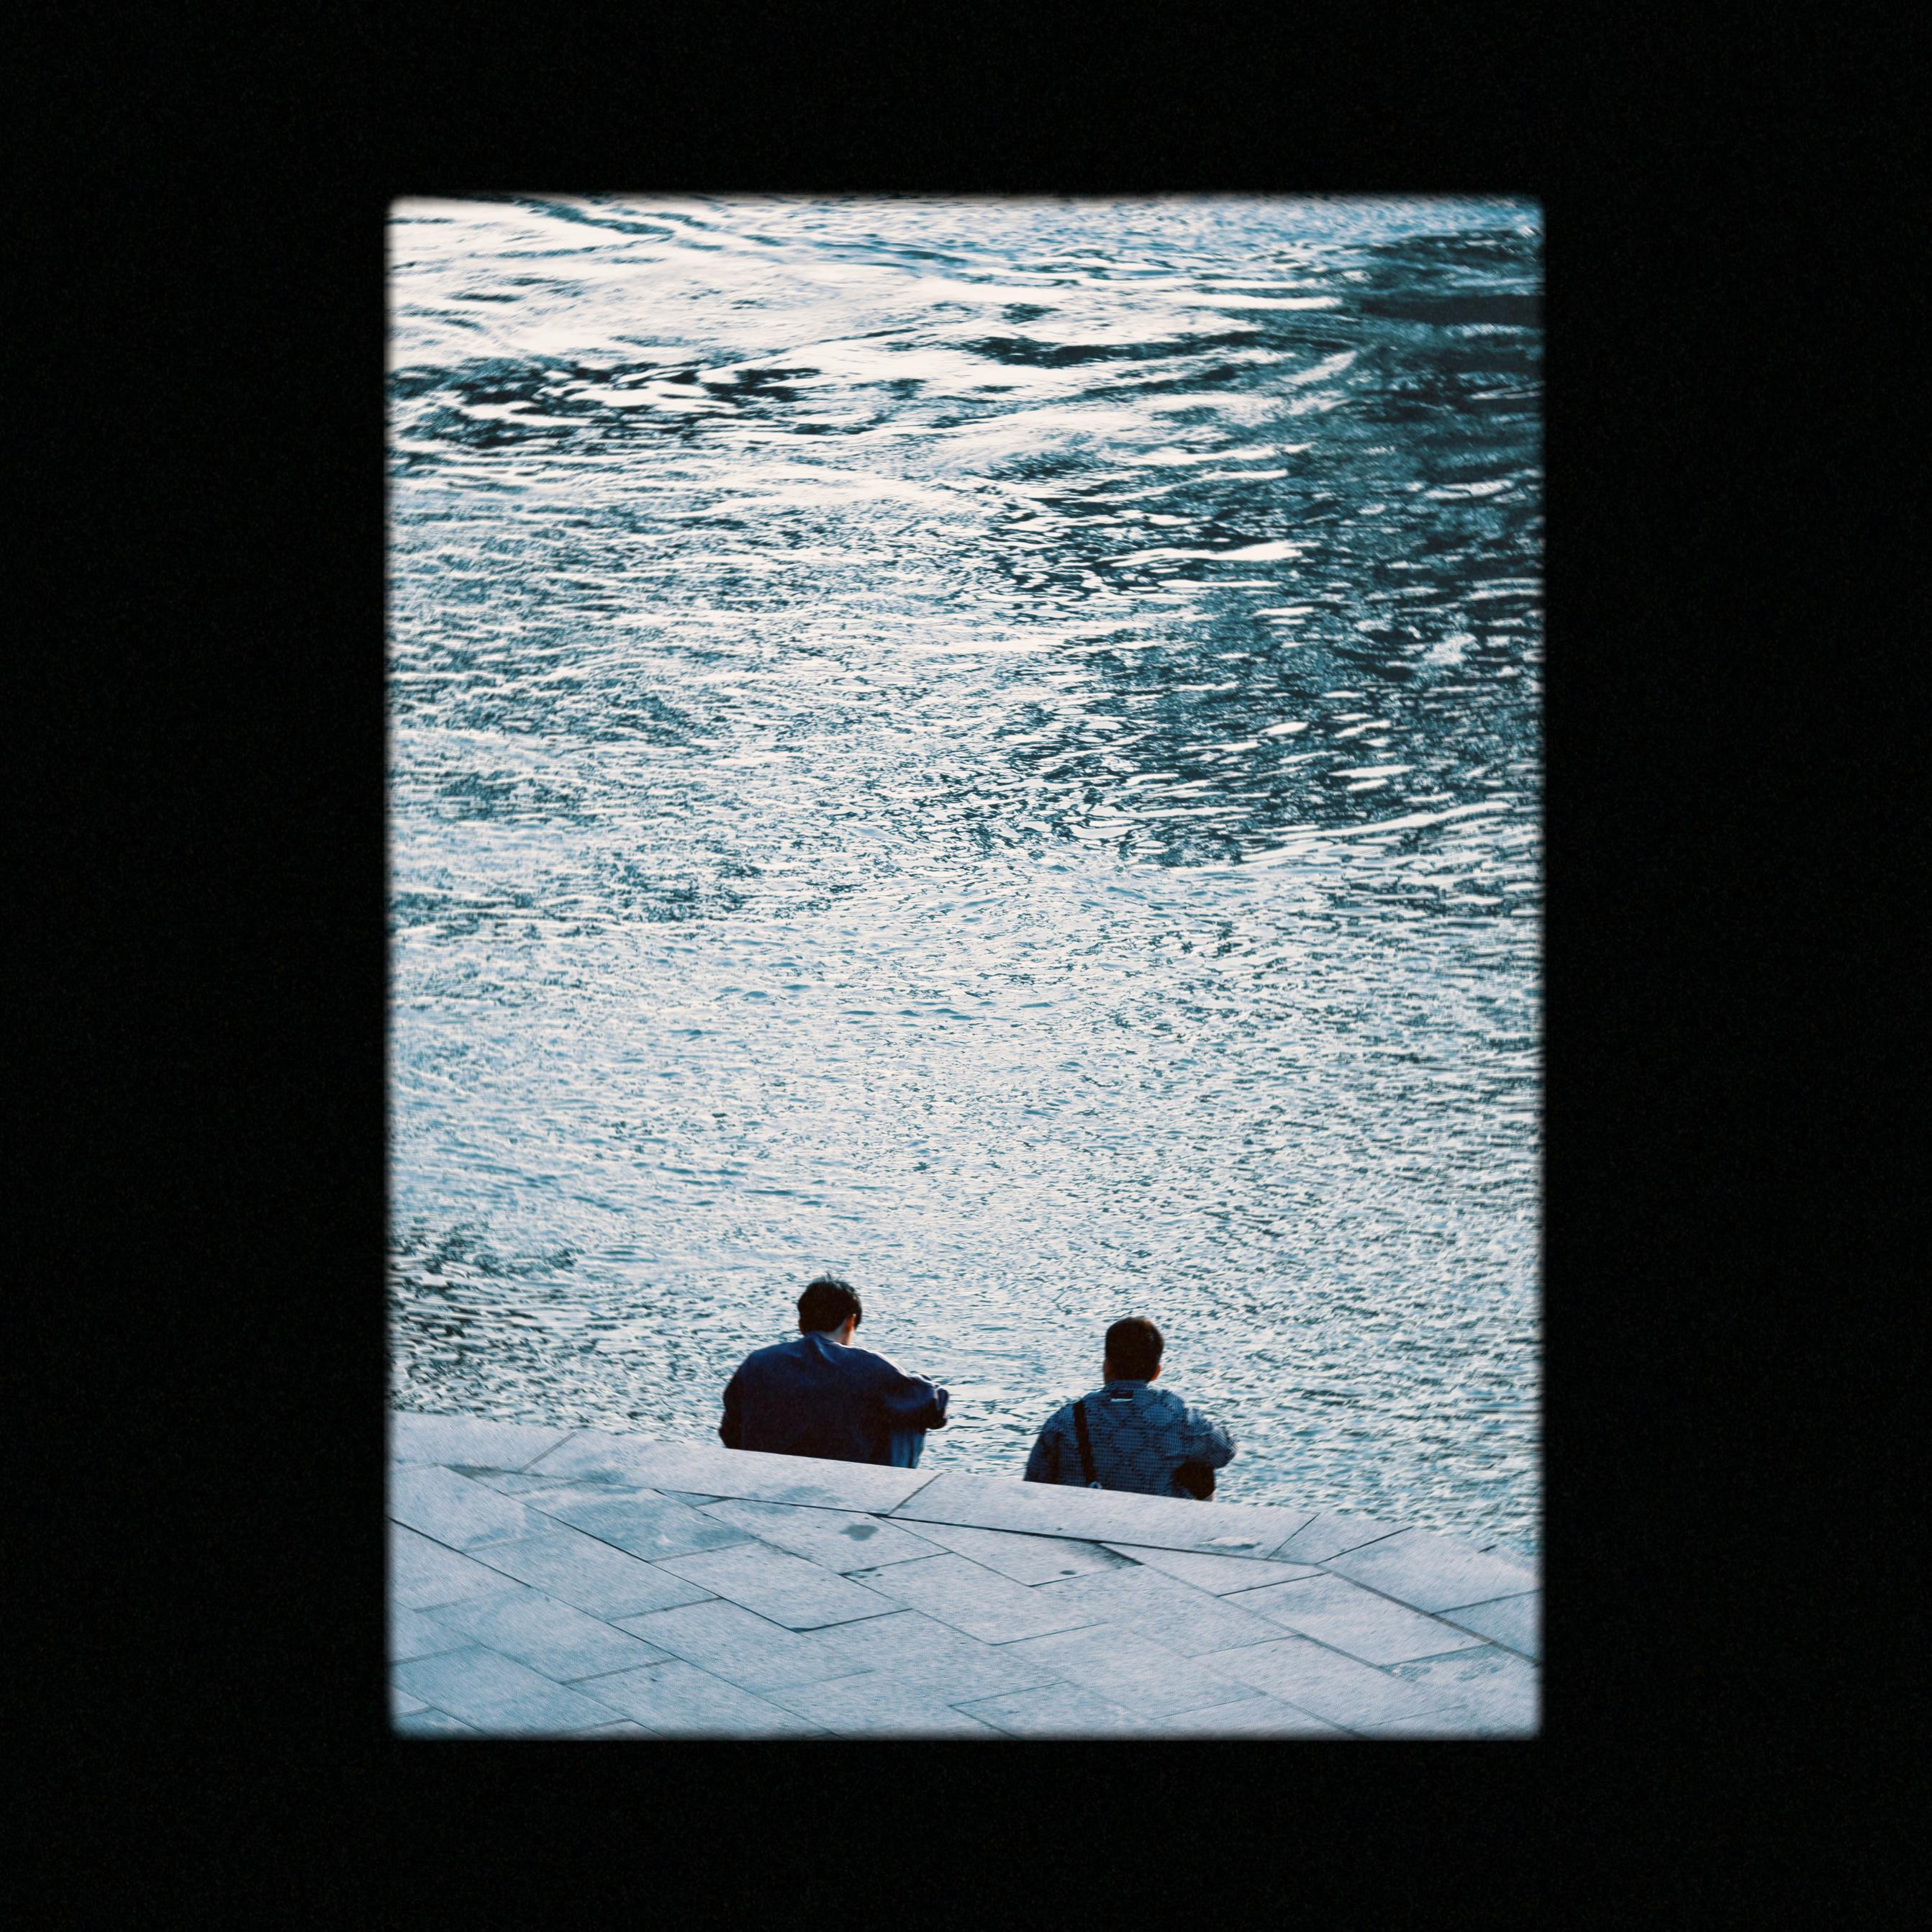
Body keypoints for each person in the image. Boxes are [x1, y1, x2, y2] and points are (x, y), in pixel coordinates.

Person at [719, 1276, 949, 1468]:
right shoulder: (868, 1367)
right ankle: (893, 1484)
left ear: (801, 1324)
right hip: (846, 1482)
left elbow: (730, 1431)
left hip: (763, 1477)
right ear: (850, 1322)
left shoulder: (757, 1362)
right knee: (905, 1409)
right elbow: (933, 1406)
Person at [1022, 1315, 1234, 1499]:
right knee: (1201, 1469)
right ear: (1156, 1373)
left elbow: (1033, 1482)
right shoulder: (1178, 1416)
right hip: (1153, 1526)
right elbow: (1225, 1451)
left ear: (1107, 1366)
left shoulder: (1067, 1418)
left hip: (1077, 1523)